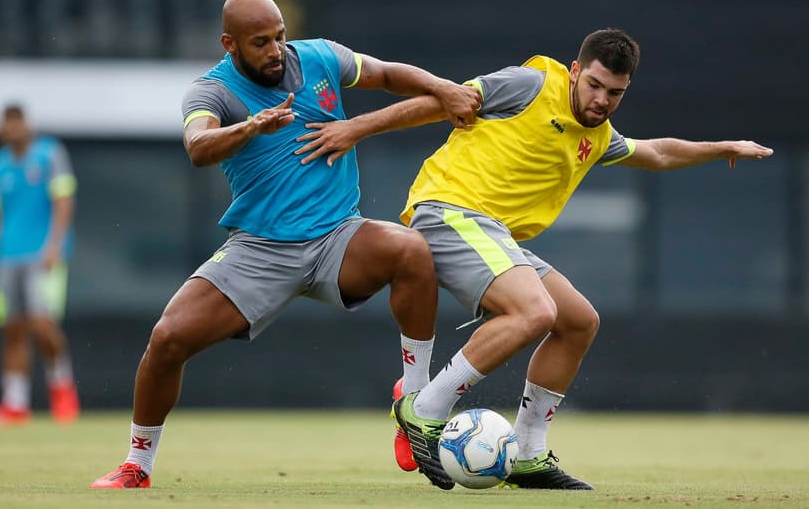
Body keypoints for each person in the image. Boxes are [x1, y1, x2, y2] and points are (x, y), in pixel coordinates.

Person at [294, 28, 774, 490]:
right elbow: (445, 102)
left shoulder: (598, 136)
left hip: (494, 235)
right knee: (534, 311)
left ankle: (527, 455)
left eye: (615, 92)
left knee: (578, 321)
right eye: (594, 85)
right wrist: (356, 126)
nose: (602, 100)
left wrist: (720, 148)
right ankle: (425, 410)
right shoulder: (531, 84)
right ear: (573, 72)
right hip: (450, 211)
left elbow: (657, 153)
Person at [90, 0, 480, 489]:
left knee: (409, 249)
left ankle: (416, 400)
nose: (275, 50)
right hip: (259, 251)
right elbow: (198, 146)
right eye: (260, 42)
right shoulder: (210, 92)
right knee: (167, 340)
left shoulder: (317, 56)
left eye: (279, 36)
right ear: (229, 44)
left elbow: (385, 73)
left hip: (338, 236)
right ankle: (136, 465)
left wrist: (445, 89)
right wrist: (251, 127)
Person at [0, 104, 81, 427]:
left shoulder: (49, 154)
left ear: (25, 124)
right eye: (7, 124)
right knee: (13, 328)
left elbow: (63, 201)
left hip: (41, 255)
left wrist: (55, 245)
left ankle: (62, 386)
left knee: (41, 324)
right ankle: (14, 403)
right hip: (7, 257)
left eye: (16, 123)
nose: (12, 130)